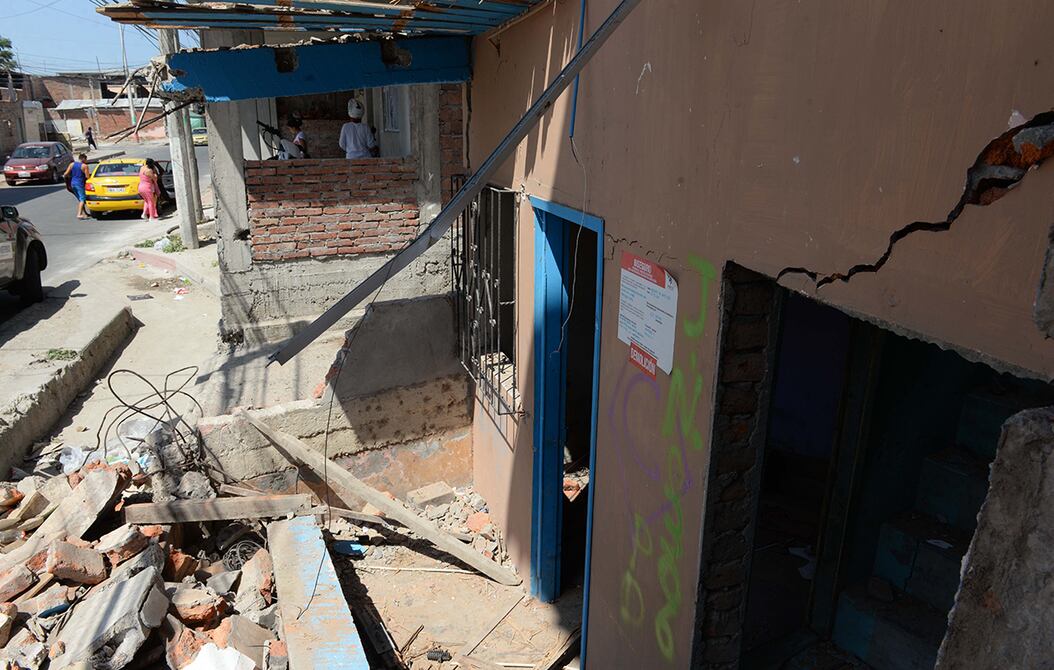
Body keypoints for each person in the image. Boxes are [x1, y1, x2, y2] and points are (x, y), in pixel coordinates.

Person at [63, 153, 90, 221]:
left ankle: (84, 213)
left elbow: (65, 174)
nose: (86, 161)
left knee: (80, 199)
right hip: (80, 184)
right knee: (82, 199)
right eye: (86, 159)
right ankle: (79, 214)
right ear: (84, 159)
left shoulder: (72, 164)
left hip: (73, 184)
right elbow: (87, 177)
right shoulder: (85, 166)